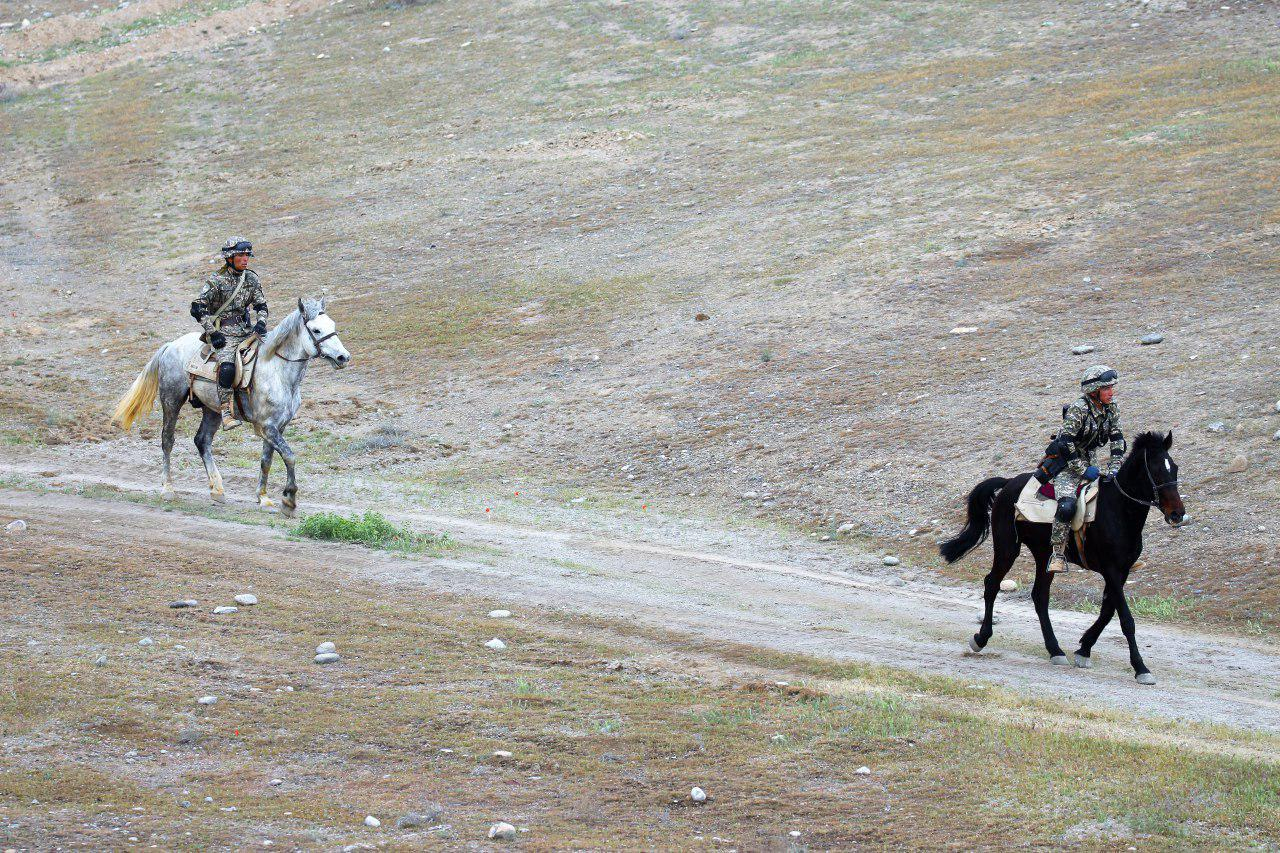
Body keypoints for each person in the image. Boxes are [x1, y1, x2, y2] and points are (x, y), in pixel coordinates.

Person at [1047, 365, 1125, 573]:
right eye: (1106, 388)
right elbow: (1065, 444)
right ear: (1094, 391)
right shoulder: (1078, 408)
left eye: (1112, 387)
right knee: (1067, 507)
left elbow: (1117, 438)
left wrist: (1115, 467)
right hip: (1067, 466)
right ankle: (1058, 554)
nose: (1111, 392)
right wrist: (1081, 470)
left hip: (1092, 462)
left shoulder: (1112, 408)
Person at [190, 238, 268, 430]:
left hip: (247, 331)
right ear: (230, 258)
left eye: (247, 255)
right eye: (241, 255)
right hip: (224, 333)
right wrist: (212, 332)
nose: (245, 259)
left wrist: (261, 323)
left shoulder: (251, 278)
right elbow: (197, 307)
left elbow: (261, 305)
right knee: (227, 368)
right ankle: (225, 412)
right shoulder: (216, 280)